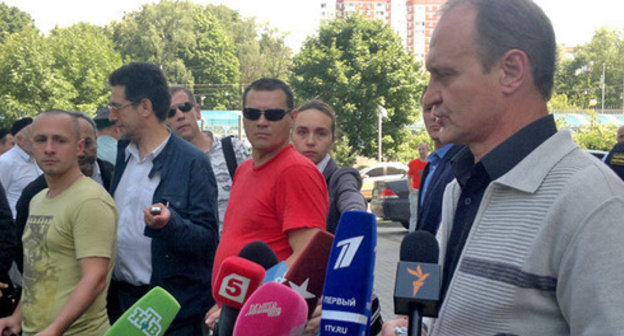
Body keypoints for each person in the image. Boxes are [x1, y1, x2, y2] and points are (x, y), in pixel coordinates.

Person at [413, 0, 624, 334]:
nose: (429, 97)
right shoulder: (461, 186)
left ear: (510, 71)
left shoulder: (595, 204)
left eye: (444, 75)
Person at [206, 78, 329, 330]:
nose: (261, 121)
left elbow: (307, 257)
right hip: (236, 314)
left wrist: (250, 305)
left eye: (272, 114)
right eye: (252, 113)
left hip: (266, 320)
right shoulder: (244, 169)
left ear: (292, 118)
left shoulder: (295, 171)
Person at [107, 62, 218, 334]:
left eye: (117, 107)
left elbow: (207, 240)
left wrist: (170, 225)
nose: (111, 116)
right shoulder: (122, 154)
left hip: (171, 315)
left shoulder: (192, 162)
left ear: (144, 107)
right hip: (122, 307)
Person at [0, 110, 117, 335]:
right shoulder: (37, 200)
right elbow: (38, 270)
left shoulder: (90, 200)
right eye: (41, 140)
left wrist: (55, 329)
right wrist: (17, 317)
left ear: (79, 147)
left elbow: (95, 278)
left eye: (60, 140)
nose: (49, 148)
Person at [13, 111, 115, 273]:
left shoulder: (114, 176)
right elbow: (23, 251)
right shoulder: (34, 194)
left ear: (96, 141)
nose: (80, 152)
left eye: (87, 143)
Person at [167, 86, 250, 234]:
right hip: (195, 252)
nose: (180, 116)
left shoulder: (232, 149)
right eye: (170, 112)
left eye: (185, 107)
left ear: (197, 111)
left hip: (236, 249)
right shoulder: (167, 165)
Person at [291, 99, 367, 234]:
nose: (310, 141)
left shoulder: (340, 178)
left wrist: (355, 213)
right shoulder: (279, 177)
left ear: (332, 141)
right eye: (302, 132)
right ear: (291, 136)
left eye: (321, 133)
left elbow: (349, 194)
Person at [416, 92, 464, 235]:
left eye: (440, 107)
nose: (433, 115)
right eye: (427, 109)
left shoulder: (465, 163)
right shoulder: (431, 166)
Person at [0, 118, 41, 218]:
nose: (39, 141)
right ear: (20, 140)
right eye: (34, 137)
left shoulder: (40, 160)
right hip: (16, 225)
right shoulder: (5, 162)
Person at [406, 143, 428, 231]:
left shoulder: (431, 162)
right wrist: (410, 189)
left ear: (427, 150)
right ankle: (412, 234)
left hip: (427, 192)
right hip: (416, 191)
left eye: (423, 149)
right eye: (419, 149)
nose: (421, 151)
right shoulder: (413, 163)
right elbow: (409, 176)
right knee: (414, 215)